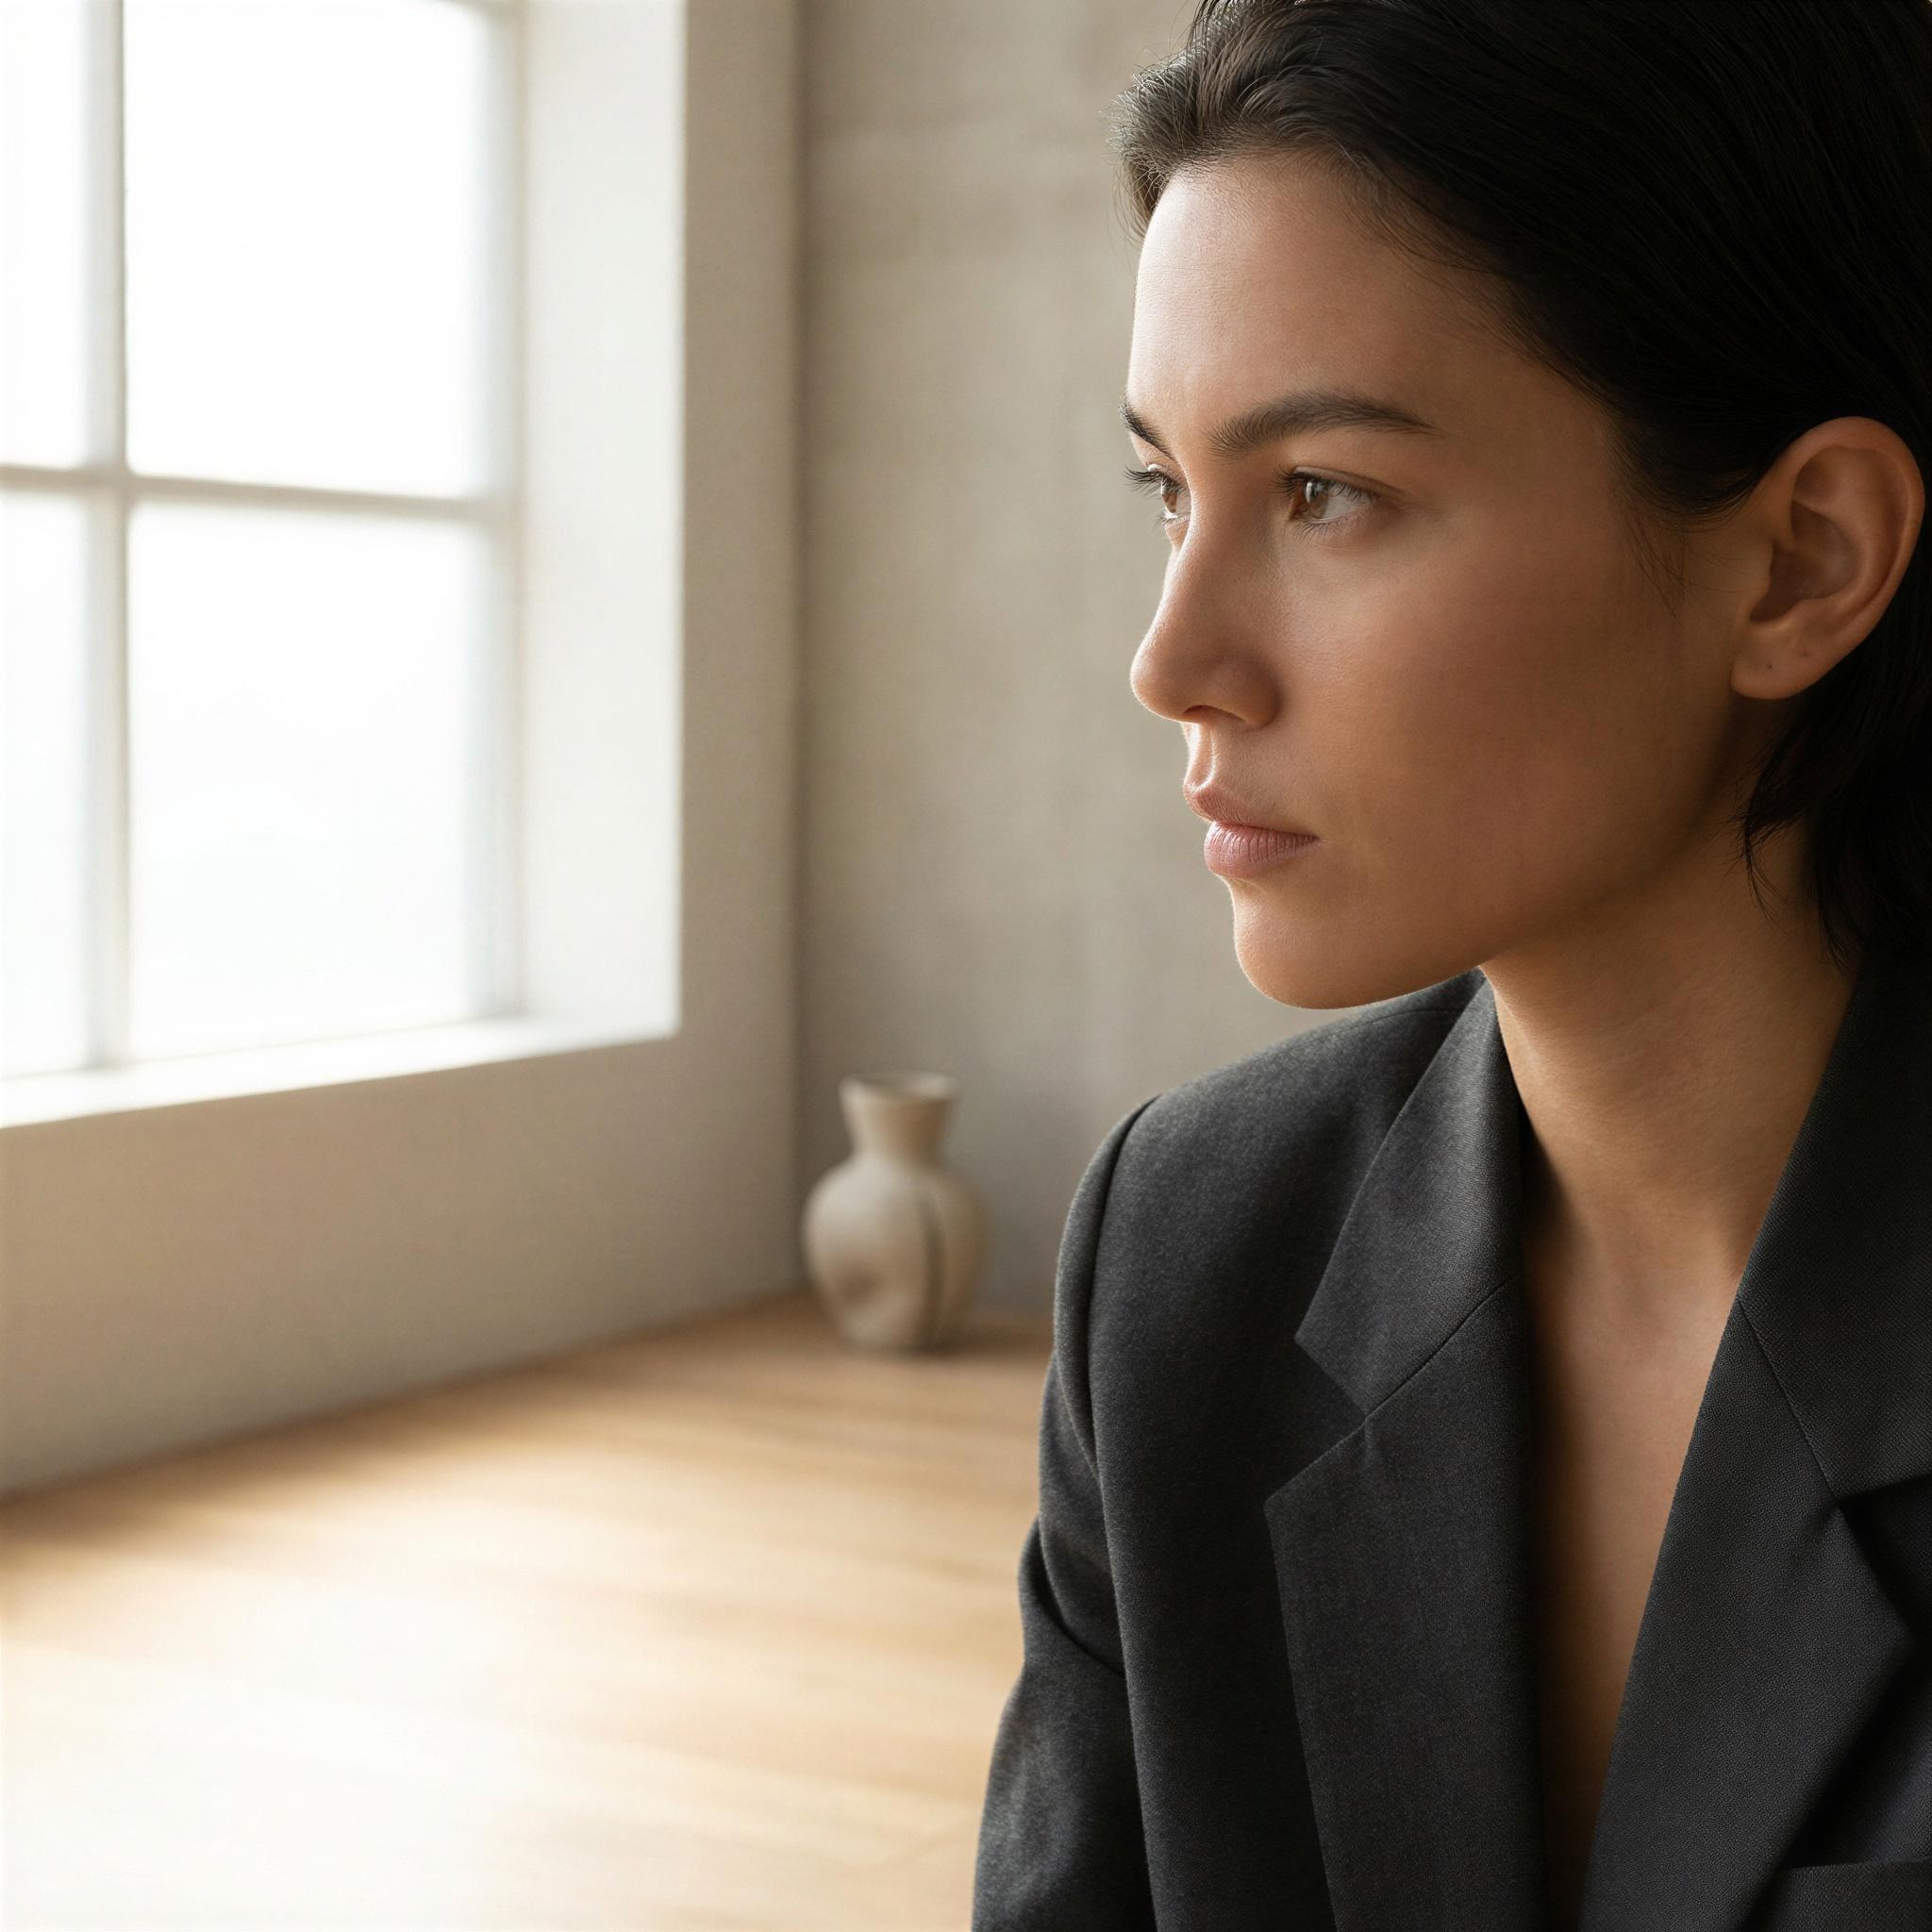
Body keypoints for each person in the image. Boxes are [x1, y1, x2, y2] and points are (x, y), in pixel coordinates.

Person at [970, 2, 1931, 1928]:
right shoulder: (1183, 1251)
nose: (1173, 659)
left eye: (1324, 492)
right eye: (1169, 489)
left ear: (1800, 559)